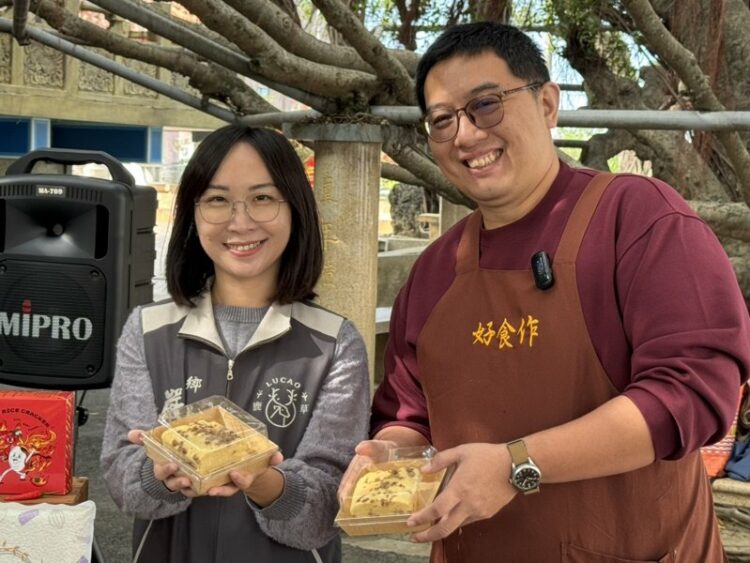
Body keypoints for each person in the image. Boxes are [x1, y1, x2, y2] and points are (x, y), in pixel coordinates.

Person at [350, 21, 750, 562]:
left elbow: (693, 392)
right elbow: (410, 411)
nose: (464, 135)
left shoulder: (637, 219)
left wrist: (517, 464)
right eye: (442, 120)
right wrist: (389, 453)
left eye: (485, 105)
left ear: (547, 104)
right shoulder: (434, 272)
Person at [101, 125, 370, 563]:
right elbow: (121, 478)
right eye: (217, 199)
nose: (240, 222)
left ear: (295, 208)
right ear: (193, 213)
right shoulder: (146, 330)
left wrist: (263, 481)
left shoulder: (335, 344)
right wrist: (158, 476)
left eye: (262, 198)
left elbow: (328, 506)